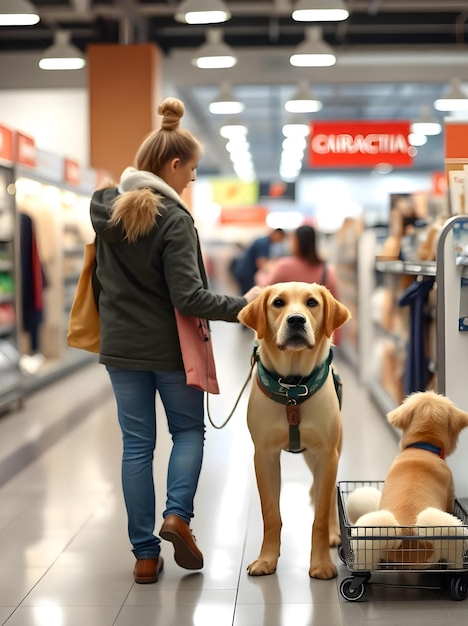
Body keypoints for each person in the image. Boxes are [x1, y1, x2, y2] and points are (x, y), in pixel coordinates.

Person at [89, 97, 261, 585]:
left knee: (136, 445)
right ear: (172, 163)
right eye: (192, 170)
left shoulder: (106, 212)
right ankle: (177, 516)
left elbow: (102, 286)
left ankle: (145, 555)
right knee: (187, 433)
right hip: (170, 349)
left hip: (120, 350)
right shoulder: (174, 218)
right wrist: (244, 306)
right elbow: (189, 297)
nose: (192, 179)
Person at [231, 227, 286, 294]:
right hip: (246, 273)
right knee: (246, 297)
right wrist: (273, 272)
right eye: (280, 239)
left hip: (245, 272)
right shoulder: (263, 243)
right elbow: (261, 262)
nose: (279, 241)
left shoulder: (264, 241)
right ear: (276, 234)